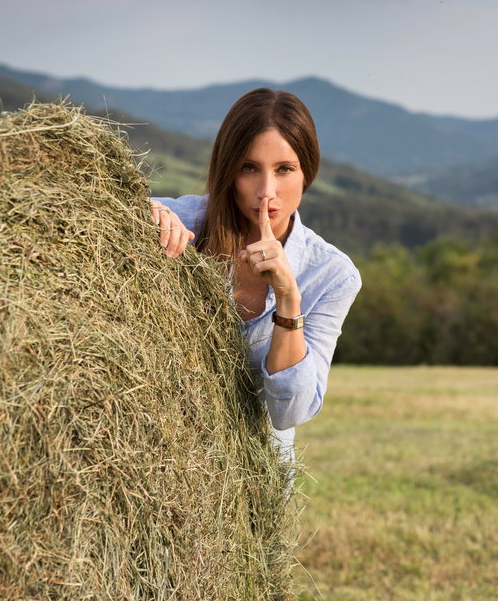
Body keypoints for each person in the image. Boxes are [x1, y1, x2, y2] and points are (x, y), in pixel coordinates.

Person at [150, 87, 361, 459]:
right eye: (249, 168)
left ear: (307, 172)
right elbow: (94, 200)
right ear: (228, 171)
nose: (267, 192)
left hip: (251, 485)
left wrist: (288, 298)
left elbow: (289, 413)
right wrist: (147, 212)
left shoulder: (332, 274)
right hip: (162, 457)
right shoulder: (186, 222)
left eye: (284, 170)